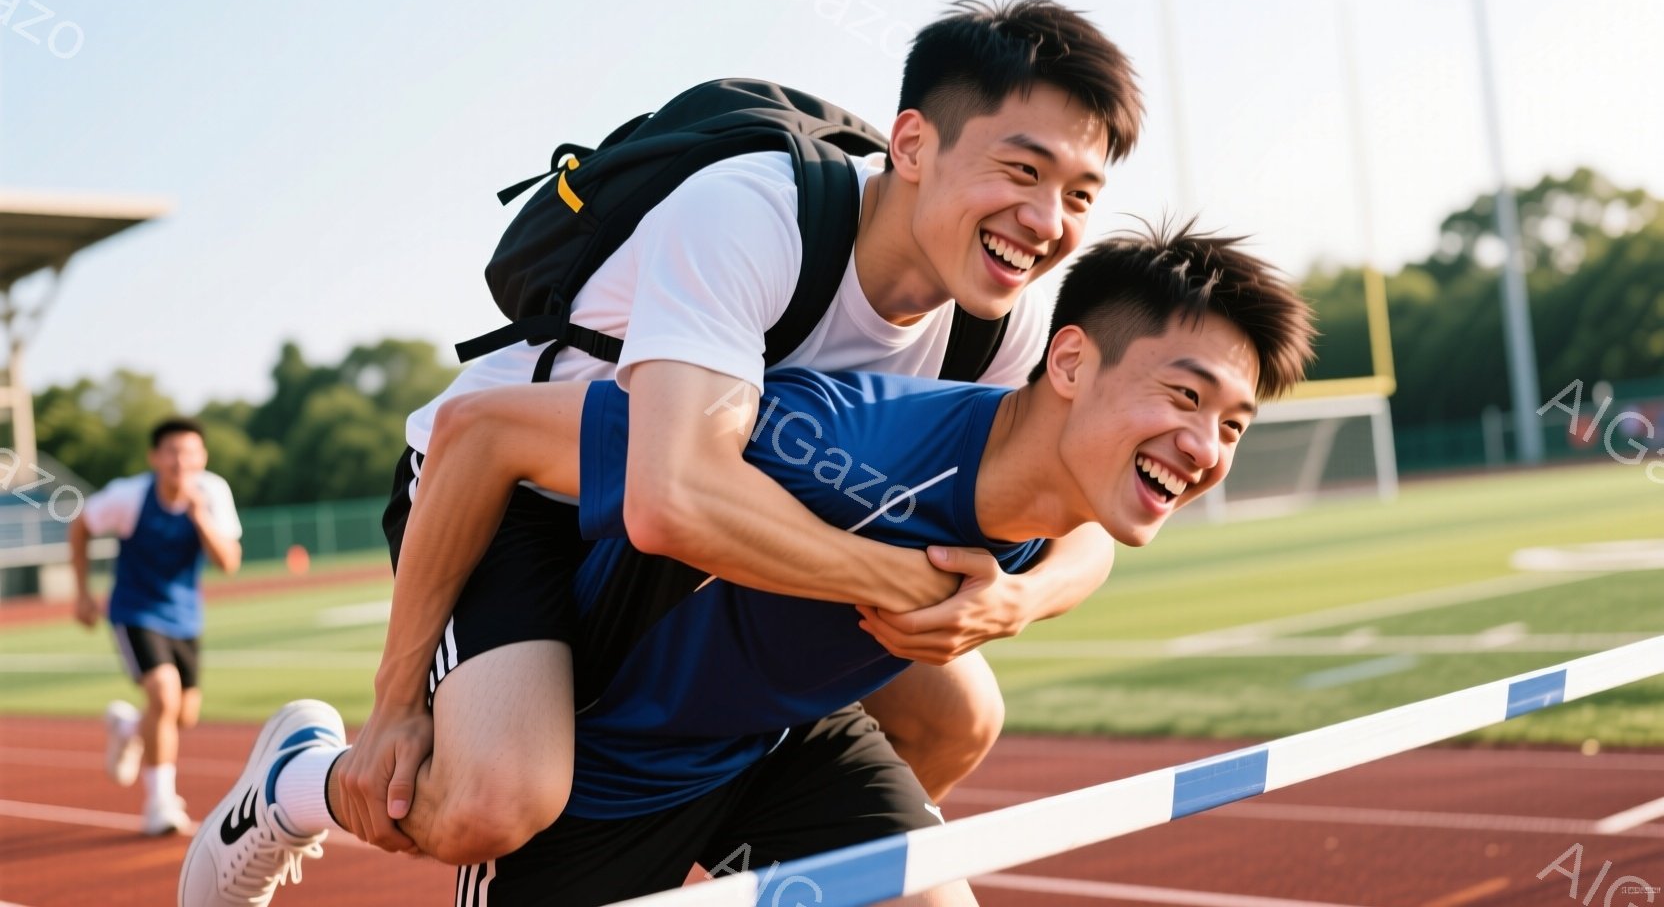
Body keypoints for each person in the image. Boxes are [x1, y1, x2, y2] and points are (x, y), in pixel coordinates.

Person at [181, 224, 1316, 906]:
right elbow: (481, 436)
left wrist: (1015, 595)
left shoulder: (1066, 482)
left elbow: (1078, 544)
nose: (1205, 448)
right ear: (1068, 363)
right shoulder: (829, 438)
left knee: (949, 779)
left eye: (1232, 422)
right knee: (480, 803)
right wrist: (396, 698)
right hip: (602, 775)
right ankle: (298, 779)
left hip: (783, 741)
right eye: (1181, 396)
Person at [68, 416, 243, 836]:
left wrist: (200, 517)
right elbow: (80, 526)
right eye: (171, 452)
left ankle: (129, 727)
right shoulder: (128, 497)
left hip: (185, 616)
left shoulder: (213, 493)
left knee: (182, 716)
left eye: (189, 452)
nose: (180, 461)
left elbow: (229, 563)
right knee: (163, 696)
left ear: (202, 457)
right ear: (154, 457)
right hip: (135, 609)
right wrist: (82, 592)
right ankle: (160, 804)